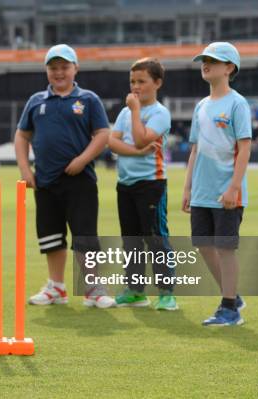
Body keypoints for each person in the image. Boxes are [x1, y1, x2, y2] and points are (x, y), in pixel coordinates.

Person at [14, 44, 115, 308]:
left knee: (85, 236)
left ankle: (93, 288)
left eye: (64, 67)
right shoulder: (37, 101)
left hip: (80, 181)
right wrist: (25, 169)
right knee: (51, 237)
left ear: (75, 68)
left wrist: (82, 160)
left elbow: (103, 134)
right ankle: (56, 287)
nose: (59, 73)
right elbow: (22, 135)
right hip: (45, 181)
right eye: (53, 68)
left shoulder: (88, 99)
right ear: (47, 71)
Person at [182, 42, 252, 326]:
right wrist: (187, 188)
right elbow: (195, 150)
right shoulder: (201, 106)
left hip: (227, 193)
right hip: (201, 192)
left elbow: (244, 148)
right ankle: (232, 294)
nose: (206, 64)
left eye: (213, 60)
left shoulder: (237, 103)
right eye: (204, 60)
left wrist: (234, 187)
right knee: (202, 244)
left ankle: (229, 308)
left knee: (225, 248)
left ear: (229, 68)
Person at [108, 58, 177, 310]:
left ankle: (166, 292)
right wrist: (136, 153)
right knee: (131, 240)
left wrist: (136, 110)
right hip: (125, 184)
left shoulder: (159, 113)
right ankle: (136, 290)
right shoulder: (125, 112)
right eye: (132, 82)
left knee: (155, 237)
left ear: (157, 83)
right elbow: (112, 142)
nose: (135, 87)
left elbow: (139, 139)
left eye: (141, 81)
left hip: (151, 184)